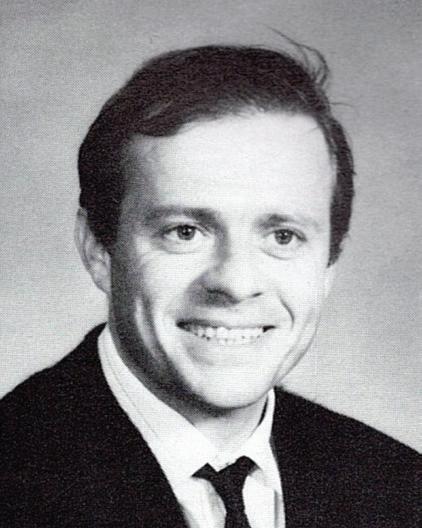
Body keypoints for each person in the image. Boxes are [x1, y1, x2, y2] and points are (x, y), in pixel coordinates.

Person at [1, 43, 419, 528]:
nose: (235, 284)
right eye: (185, 232)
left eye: (283, 236)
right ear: (98, 248)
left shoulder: (401, 489)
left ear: (329, 265)